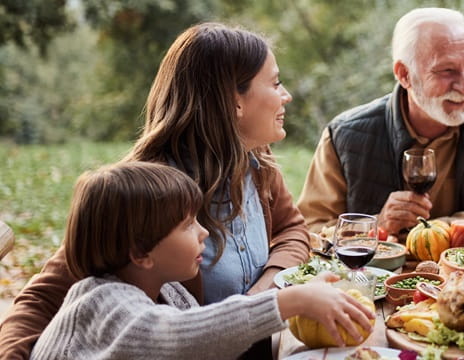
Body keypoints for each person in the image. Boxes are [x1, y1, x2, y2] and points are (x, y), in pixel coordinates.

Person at [0, 23, 311, 359]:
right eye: (275, 83)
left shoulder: (254, 161)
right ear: (234, 101)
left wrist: (265, 290)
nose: (286, 95)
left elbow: (293, 229)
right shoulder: (147, 191)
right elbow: (42, 298)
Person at [29, 162, 374, 360]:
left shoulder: (169, 290)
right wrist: (290, 301)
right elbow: (184, 336)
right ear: (140, 253)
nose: (204, 233)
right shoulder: (102, 304)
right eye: (187, 225)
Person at [296, 8, 464, 235]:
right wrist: (377, 224)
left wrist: (441, 229)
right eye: (447, 71)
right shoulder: (344, 134)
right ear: (404, 74)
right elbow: (311, 228)